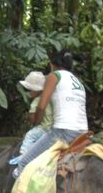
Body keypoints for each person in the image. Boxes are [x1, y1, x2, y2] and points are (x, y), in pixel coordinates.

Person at [12, 49, 88, 178]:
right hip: (83, 132)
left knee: (24, 162)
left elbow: (41, 106)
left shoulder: (54, 76)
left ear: (52, 65)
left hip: (63, 131)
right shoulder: (78, 82)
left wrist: (36, 120)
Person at [9, 71, 54, 165]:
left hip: (44, 128)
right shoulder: (50, 98)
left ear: (37, 90)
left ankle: (23, 155)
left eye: (30, 90)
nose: (28, 92)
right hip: (54, 128)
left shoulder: (37, 101)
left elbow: (34, 120)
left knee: (30, 135)